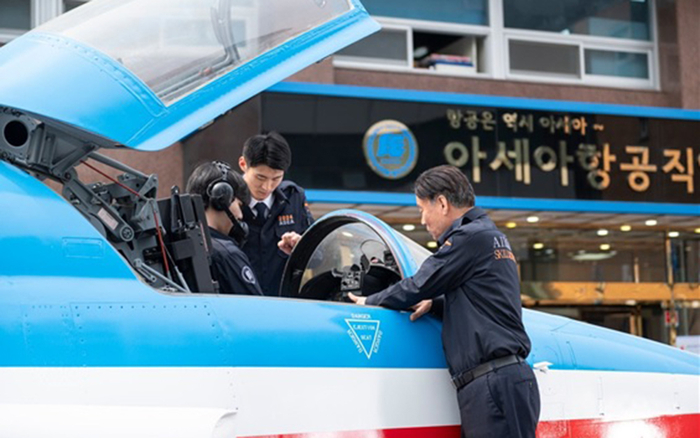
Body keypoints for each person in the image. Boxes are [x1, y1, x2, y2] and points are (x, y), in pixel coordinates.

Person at [349, 165, 540, 438]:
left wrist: (367, 301)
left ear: (441, 203)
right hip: (499, 382)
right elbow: (482, 297)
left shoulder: (469, 238)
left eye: (421, 209)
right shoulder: (490, 236)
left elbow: (418, 284)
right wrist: (436, 304)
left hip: (494, 384)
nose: (422, 220)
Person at [238, 132, 313, 295]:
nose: (267, 186)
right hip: (236, 301)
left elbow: (318, 256)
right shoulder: (227, 200)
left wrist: (301, 247)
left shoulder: (294, 198)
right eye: (260, 177)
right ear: (243, 164)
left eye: (276, 178)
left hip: (281, 302)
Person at [186, 161, 262, 296]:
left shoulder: (182, 245)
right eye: (239, 204)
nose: (240, 214)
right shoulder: (227, 255)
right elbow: (256, 310)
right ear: (222, 199)